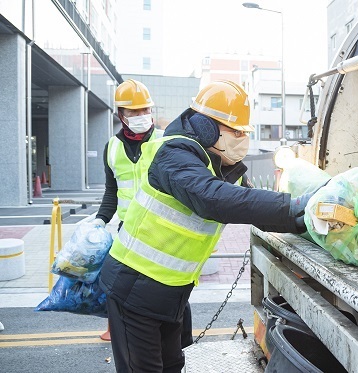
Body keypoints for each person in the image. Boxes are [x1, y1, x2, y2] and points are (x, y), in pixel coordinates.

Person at [99, 80, 316, 372]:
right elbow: (212, 198)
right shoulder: (174, 155)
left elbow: (258, 210)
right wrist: (293, 205)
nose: (241, 139)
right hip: (134, 289)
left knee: (173, 364)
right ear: (206, 127)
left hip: (171, 293)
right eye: (236, 131)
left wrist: (311, 218)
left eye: (244, 133)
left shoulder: (225, 168)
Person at [92, 79, 162, 341]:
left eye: (146, 110)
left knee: (161, 289)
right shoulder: (112, 147)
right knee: (117, 286)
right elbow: (112, 189)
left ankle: (165, 338)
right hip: (126, 230)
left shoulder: (165, 141)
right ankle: (118, 331)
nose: (143, 116)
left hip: (160, 229)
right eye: (135, 112)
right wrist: (100, 220)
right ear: (121, 114)